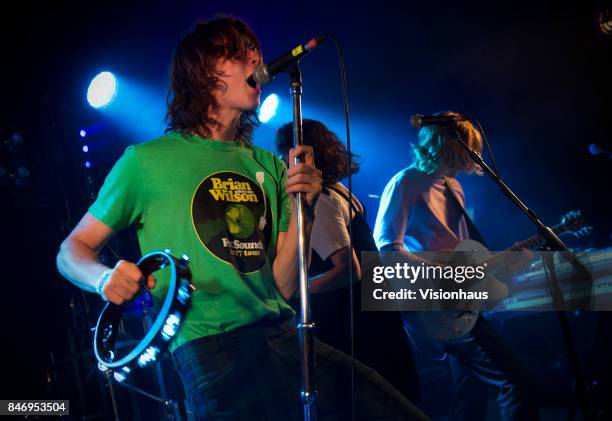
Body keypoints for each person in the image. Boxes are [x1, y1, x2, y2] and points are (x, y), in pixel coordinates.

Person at [56, 16, 427, 420]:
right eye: (239, 53)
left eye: (256, 52)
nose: (257, 59)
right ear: (206, 71)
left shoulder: (269, 165)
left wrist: (303, 207)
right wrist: (103, 277)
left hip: (283, 335)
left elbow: (284, 285)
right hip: (210, 351)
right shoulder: (146, 162)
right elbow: (71, 250)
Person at [373, 112, 539, 421]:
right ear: (450, 145)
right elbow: (387, 250)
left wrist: (504, 265)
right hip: (434, 303)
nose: (473, 155)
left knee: (470, 396)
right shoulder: (406, 182)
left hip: (462, 305)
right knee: (517, 381)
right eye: (468, 146)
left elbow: (466, 256)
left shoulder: (453, 187)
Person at [276, 119, 420, 404]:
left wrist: (295, 291)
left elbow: (348, 270)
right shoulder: (343, 192)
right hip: (377, 317)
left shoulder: (322, 200)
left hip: (356, 329)